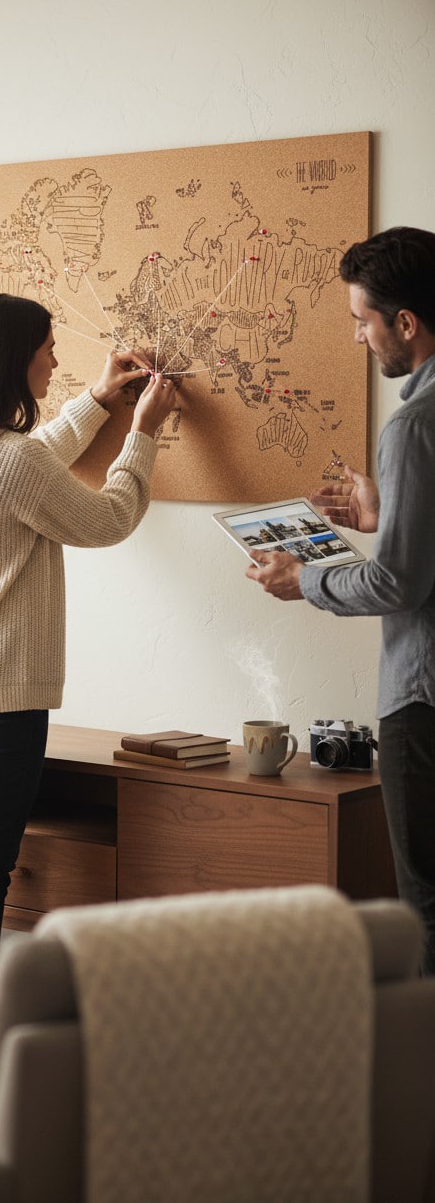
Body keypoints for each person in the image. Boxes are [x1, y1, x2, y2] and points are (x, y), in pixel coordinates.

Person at [0, 292, 178, 990]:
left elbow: (36, 459)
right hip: (1, 690)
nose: (56, 358)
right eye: (48, 346)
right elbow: (110, 517)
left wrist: (96, 398)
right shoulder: (9, 462)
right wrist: (140, 432)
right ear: (15, 358)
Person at [245, 226, 435, 976]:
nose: (360, 337)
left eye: (363, 321)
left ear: (406, 324)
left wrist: (305, 579)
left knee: (422, 904)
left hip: (422, 699)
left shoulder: (413, 424)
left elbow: (398, 583)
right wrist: (385, 516)